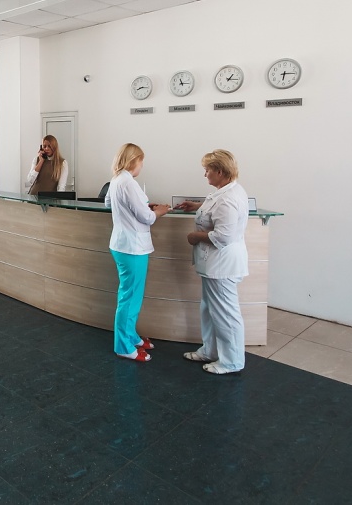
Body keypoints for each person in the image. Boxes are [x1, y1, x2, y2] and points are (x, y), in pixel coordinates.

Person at [175, 149, 250, 375]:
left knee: (225, 314)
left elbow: (224, 236)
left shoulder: (227, 198)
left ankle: (232, 362)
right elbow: (215, 212)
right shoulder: (226, 191)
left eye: (207, 170)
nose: (205, 174)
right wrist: (196, 206)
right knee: (209, 309)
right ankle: (210, 350)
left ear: (219, 171)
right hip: (215, 265)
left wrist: (195, 237)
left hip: (222, 265)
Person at [105, 143, 170, 362]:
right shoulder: (128, 182)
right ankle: (123, 346)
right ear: (134, 160)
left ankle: (130, 336)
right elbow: (147, 218)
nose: (142, 165)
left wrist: (142, 207)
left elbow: (108, 203)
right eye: (141, 161)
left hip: (123, 245)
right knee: (130, 297)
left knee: (131, 296)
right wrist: (159, 211)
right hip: (131, 247)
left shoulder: (116, 180)